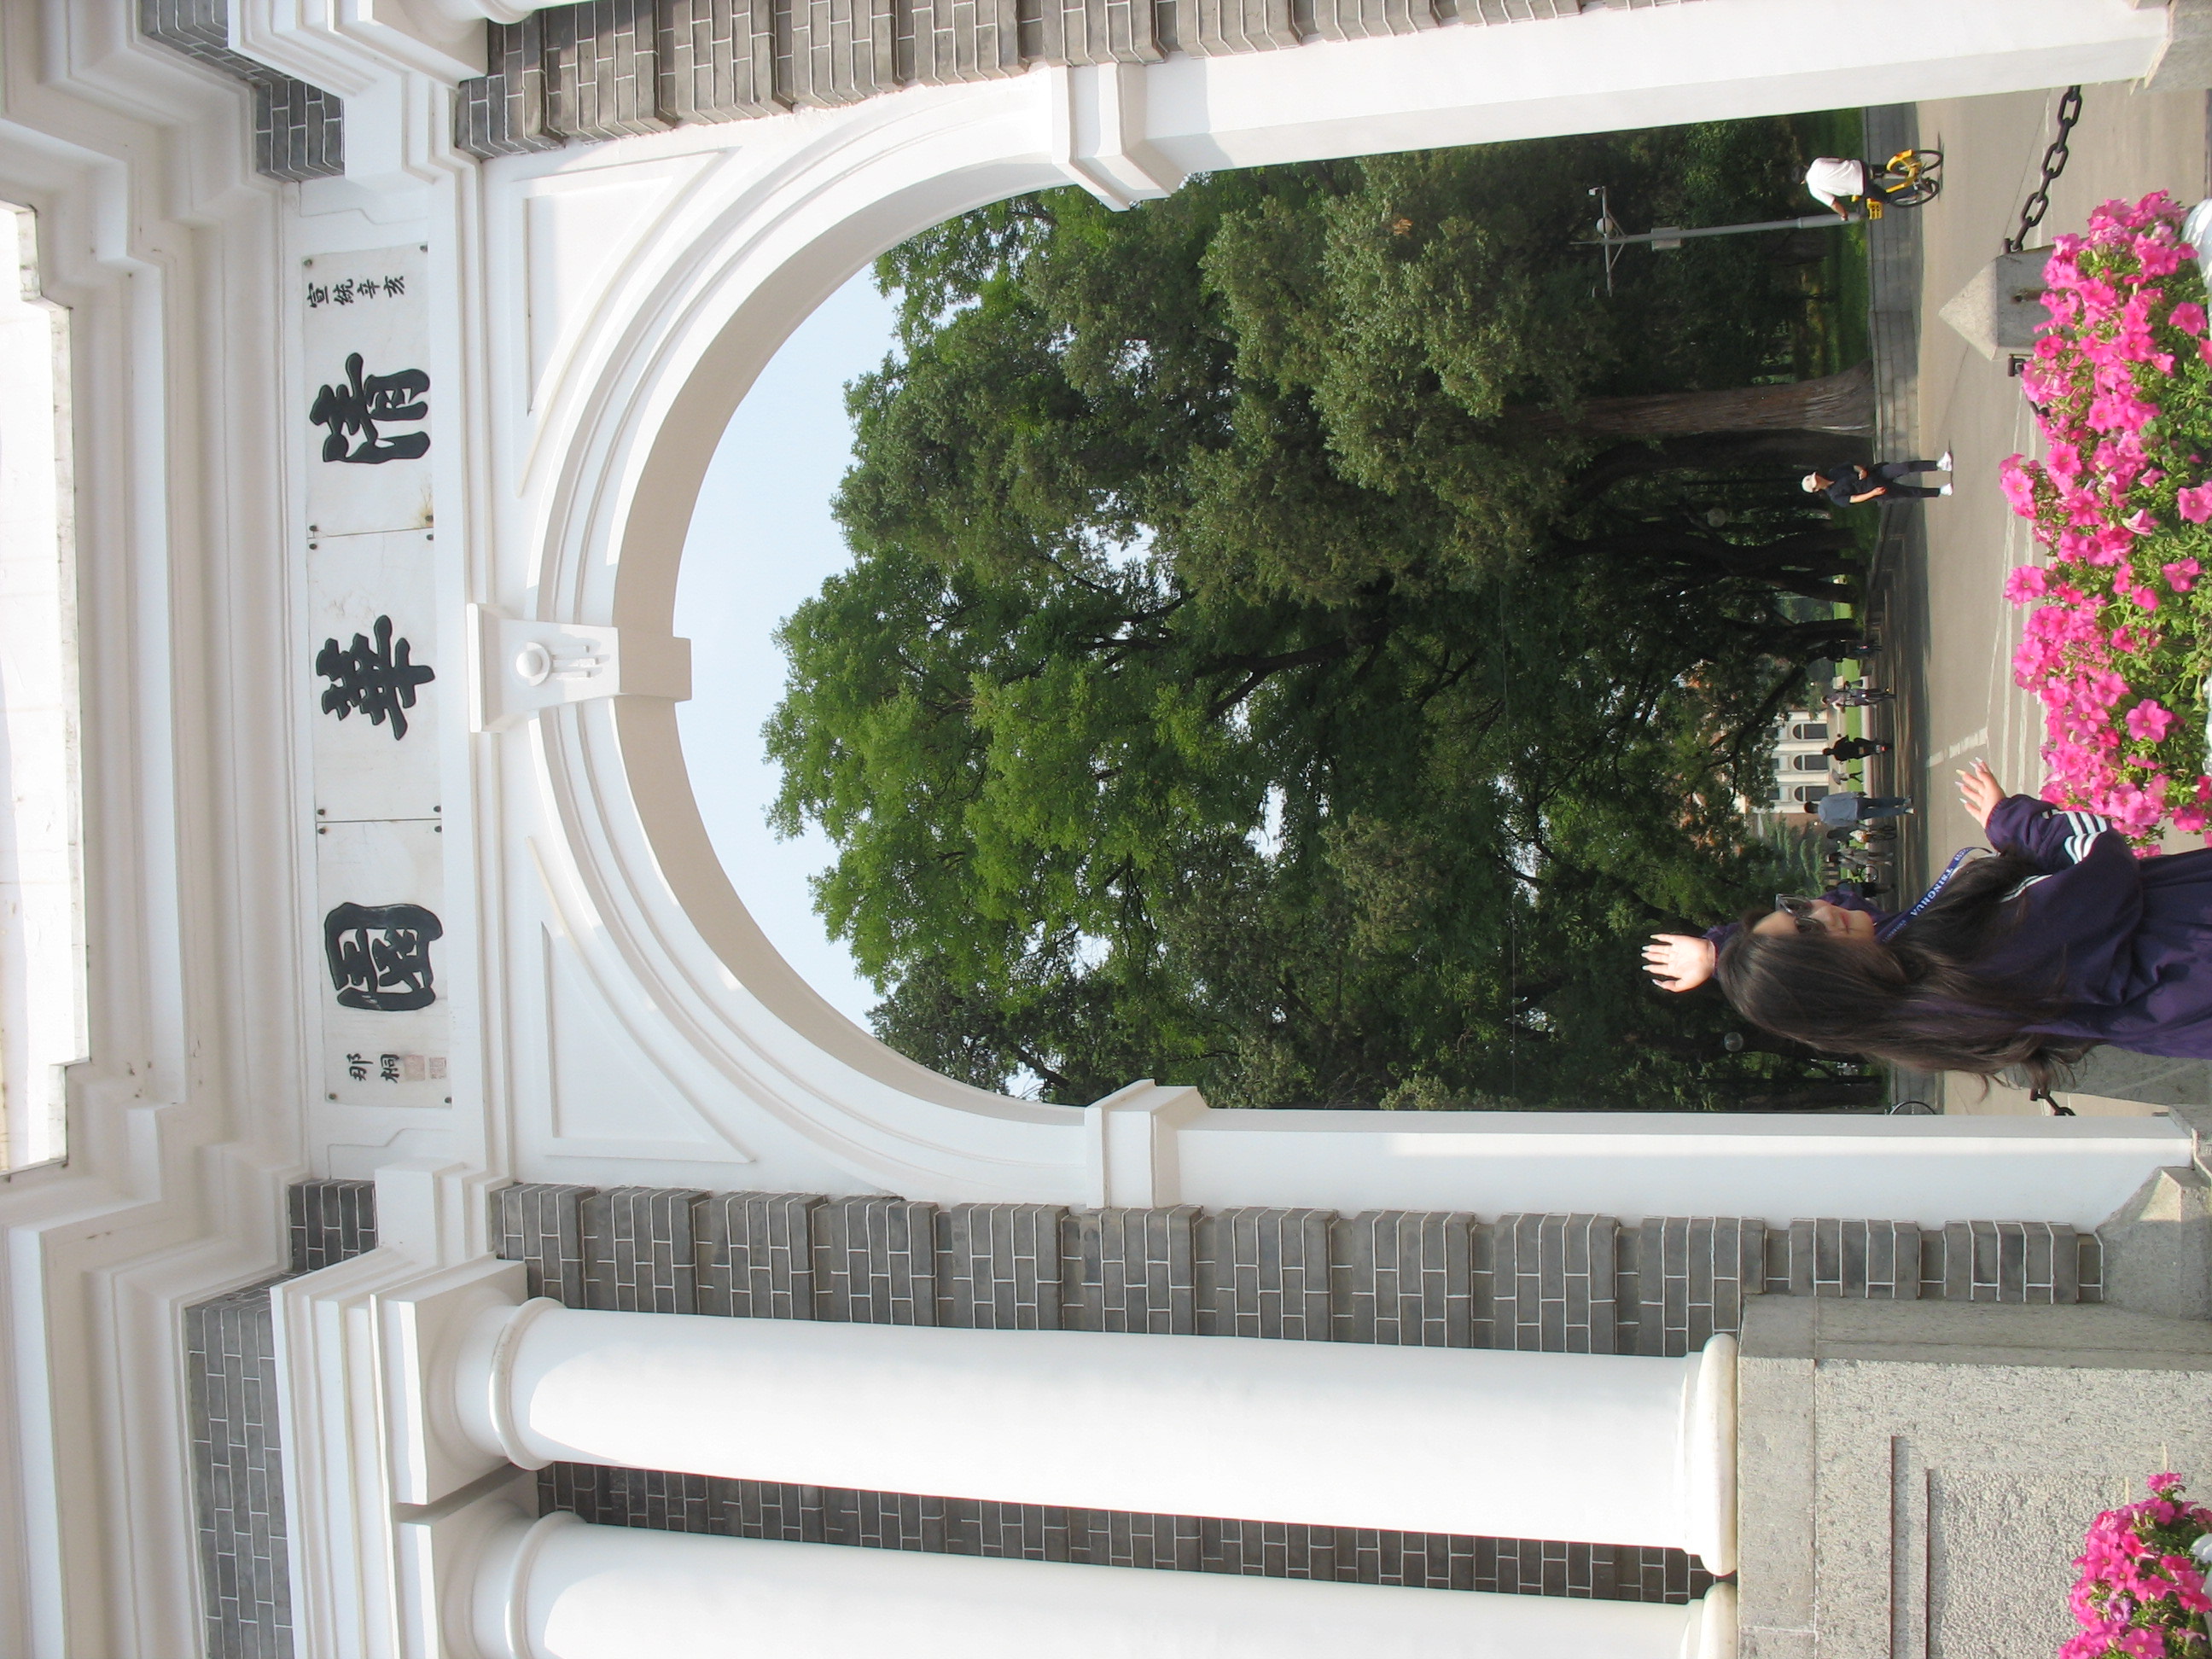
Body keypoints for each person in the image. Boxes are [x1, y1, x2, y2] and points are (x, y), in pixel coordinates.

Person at [1644, 760, 2212, 1090]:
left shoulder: (1908, 999)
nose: (1820, 910)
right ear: (1826, 976)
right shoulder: (1966, 963)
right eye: (1807, 930)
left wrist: (1723, 956)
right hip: (2191, 945)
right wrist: (2013, 821)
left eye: (1797, 910)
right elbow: (2099, 866)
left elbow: (1858, 927)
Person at [1803, 453, 1953, 506]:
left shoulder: (1833, 472)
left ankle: (1939, 464)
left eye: (1816, 477)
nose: (1819, 479)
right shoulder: (1835, 496)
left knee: (1905, 467)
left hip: (1876, 474)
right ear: (1817, 489)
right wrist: (1873, 493)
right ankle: (1941, 491)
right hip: (1876, 491)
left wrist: (1861, 469)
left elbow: (1852, 466)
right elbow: (1855, 499)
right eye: (1817, 482)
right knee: (1909, 492)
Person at [1805, 156, 1898, 218]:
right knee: (1884, 168)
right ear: (1805, 167)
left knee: (1886, 198)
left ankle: (1912, 189)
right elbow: (1839, 160)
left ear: (1802, 182)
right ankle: (1901, 168)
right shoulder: (1817, 162)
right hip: (1859, 166)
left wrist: (1843, 214)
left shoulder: (1813, 189)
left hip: (1860, 185)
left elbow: (1834, 204)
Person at [1807, 791, 1912, 827]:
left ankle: (1904, 810)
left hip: (1856, 815)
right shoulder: (1825, 800)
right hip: (1857, 802)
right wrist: (1855, 793)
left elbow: (1842, 823)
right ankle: (1904, 801)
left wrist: (1854, 823)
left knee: (1880, 813)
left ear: (1813, 812)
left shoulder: (1825, 819)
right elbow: (1842, 796)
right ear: (1814, 804)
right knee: (1879, 801)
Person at [1823, 736, 1890, 762]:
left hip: (1857, 754)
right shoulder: (1837, 744)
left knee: (1867, 752)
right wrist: (1846, 738)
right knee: (1856, 739)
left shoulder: (1837, 758)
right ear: (1829, 748)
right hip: (1857, 747)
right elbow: (1845, 738)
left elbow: (1845, 759)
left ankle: (1875, 751)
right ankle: (1873, 743)